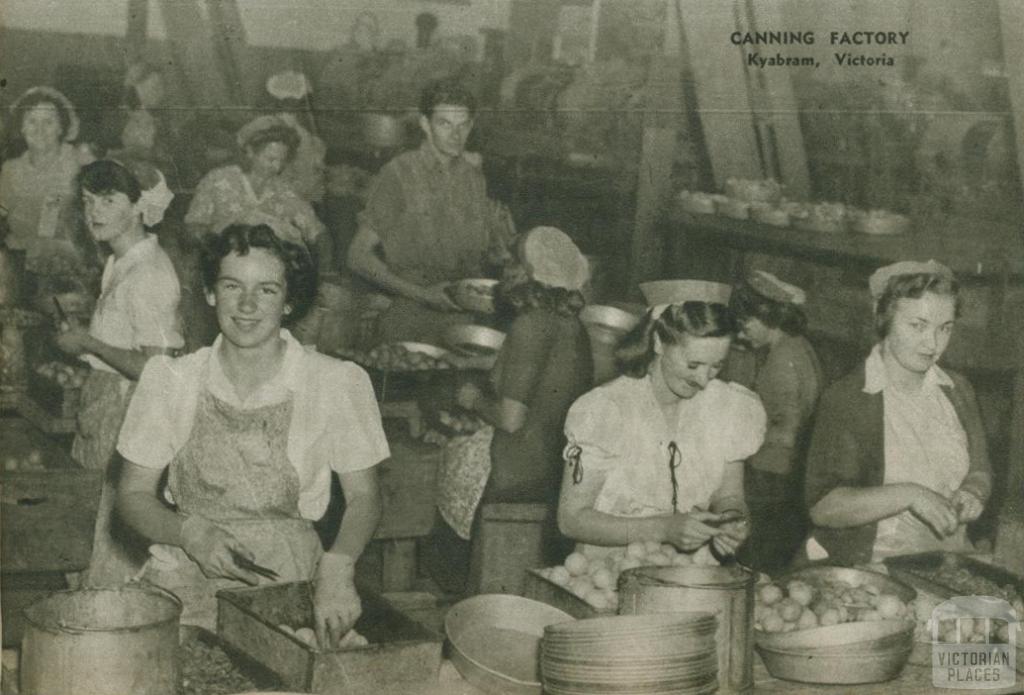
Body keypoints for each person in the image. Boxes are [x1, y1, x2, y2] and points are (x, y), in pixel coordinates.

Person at [116, 224, 387, 646]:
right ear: (210, 293)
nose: (246, 305)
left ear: (289, 301)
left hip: (287, 583)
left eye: (266, 290)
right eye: (231, 286)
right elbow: (132, 496)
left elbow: (365, 497)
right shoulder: (171, 379)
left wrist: (338, 568)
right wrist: (189, 533)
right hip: (185, 574)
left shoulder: (334, 382)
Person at [428, 227, 594, 590]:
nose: (506, 270)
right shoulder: (573, 325)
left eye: (514, 263)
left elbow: (511, 418)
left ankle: (449, 588)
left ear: (530, 275)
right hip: (553, 468)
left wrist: (472, 400)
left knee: (433, 467)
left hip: (516, 474)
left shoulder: (529, 325)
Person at [558, 281, 766, 565]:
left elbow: (729, 494)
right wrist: (664, 528)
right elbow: (571, 519)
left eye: (716, 366)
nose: (704, 380)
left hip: (689, 575)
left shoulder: (726, 408)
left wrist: (731, 520)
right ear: (658, 342)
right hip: (606, 575)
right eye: (693, 365)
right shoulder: (606, 409)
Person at [804, 260, 992, 566]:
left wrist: (974, 492)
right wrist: (909, 494)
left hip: (948, 564)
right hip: (874, 568)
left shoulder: (957, 390)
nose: (932, 344)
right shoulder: (849, 398)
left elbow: (981, 469)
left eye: (945, 328)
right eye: (917, 325)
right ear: (885, 319)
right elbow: (824, 508)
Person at [55, 159, 181, 587]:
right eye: (89, 200)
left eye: (109, 199)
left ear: (141, 205)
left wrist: (88, 344)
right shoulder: (120, 261)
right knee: (88, 530)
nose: (95, 211)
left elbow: (158, 368)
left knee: (108, 538)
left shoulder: (151, 275)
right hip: (105, 406)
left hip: (127, 413)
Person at [347, 78, 515, 343]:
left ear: (471, 126)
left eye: (463, 126)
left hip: (463, 317)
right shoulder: (399, 174)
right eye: (444, 124)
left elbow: (483, 255)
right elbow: (358, 257)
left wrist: (502, 250)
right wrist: (423, 295)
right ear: (425, 124)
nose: (455, 135)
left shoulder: (474, 178)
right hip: (409, 315)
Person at [731, 270, 823, 574]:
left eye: (745, 325)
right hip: (790, 473)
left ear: (765, 317)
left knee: (755, 559)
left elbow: (786, 430)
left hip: (772, 475)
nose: (742, 334)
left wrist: (742, 447)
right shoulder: (798, 346)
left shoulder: (782, 361)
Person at [0, 86, 82, 264]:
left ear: (61, 127)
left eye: (48, 122)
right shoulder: (11, 170)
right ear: (22, 128)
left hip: (67, 265)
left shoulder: (76, 165)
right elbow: (2, 210)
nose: (39, 130)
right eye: (32, 121)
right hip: (17, 261)